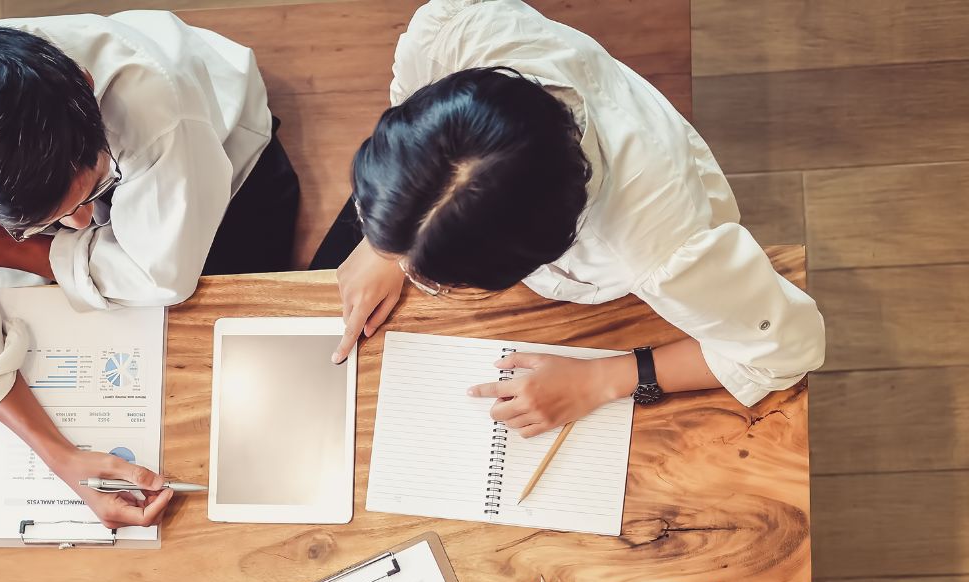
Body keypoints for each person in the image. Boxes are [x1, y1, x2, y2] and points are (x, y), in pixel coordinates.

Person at [314, 0, 824, 435]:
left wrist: (600, 380)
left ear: (544, 248)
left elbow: (784, 350)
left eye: (444, 280)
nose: (410, 270)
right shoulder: (459, 31)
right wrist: (395, 233)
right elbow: (416, 105)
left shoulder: (659, 248)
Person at [0, 13, 300, 528]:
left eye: (90, 191)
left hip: (225, 156)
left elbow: (163, 275)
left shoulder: (154, 103)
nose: (82, 224)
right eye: (51, 221)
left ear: (86, 84)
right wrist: (63, 460)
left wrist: (25, 251)